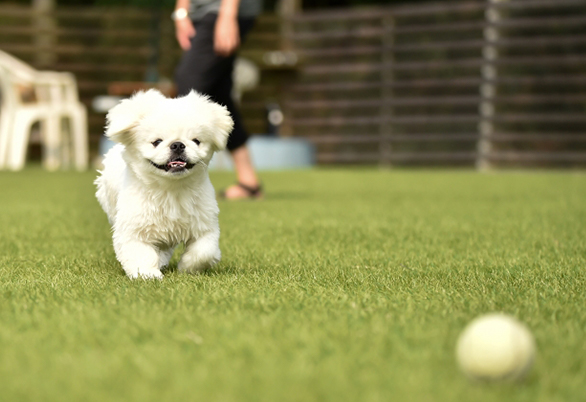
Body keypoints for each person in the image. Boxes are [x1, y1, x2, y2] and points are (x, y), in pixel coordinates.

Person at [173, 0, 263, 200]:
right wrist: (181, 12)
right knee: (218, 96)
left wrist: (228, 14)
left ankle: (179, 181)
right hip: (201, 12)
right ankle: (249, 182)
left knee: (190, 86)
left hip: (222, 9)